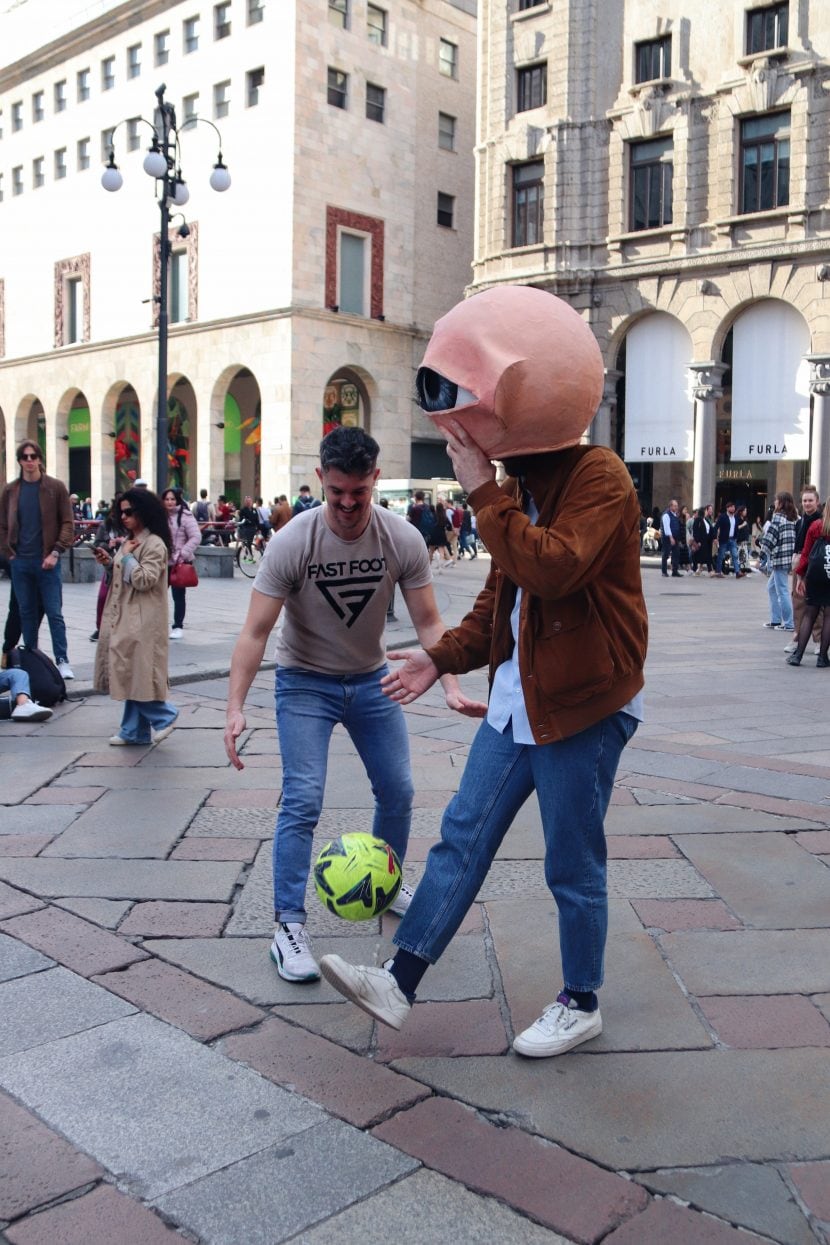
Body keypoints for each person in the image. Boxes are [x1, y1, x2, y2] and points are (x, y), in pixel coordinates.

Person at [319, 285, 647, 1058]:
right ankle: (398, 980)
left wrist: (481, 492)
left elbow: (555, 570)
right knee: (460, 839)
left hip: (582, 707)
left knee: (572, 861)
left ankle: (581, 999)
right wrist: (437, 659)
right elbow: (501, 601)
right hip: (517, 703)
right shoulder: (523, 490)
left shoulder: (600, 479)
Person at [223, 426, 483, 984]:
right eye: (335, 491)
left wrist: (449, 680)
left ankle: (382, 884)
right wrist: (235, 706)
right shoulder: (293, 541)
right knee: (303, 800)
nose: (345, 504)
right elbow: (255, 631)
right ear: (321, 479)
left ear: (375, 481)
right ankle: (287, 927)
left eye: (357, 493)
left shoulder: (402, 539)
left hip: (371, 681)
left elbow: (430, 622)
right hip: (304, 684)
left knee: (399, 790)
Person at [93, 487, 178, 746]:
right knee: (131, 671)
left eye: (129, 512)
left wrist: (127, 557)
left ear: (143, 512)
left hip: (143, 618)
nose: (125, 517)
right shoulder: (132, 540)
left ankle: (165, 715)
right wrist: (110, 561)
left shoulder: (154, 544)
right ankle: (134, 731)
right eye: (122, 513)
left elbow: (143, 579)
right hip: (127, 615)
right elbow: (124, 573)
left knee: (136, 670)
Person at [0, 440, 75, 680]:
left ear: (40, 459)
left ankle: (62, 660)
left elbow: (67, 522)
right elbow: (2, 525)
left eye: (33, 456)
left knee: (54, 613)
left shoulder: (55, 487)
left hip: (48, 561)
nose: (30, 460)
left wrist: (55, 552)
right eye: (25, 456)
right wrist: (10, 555)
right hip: (21, 562)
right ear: (20, 460)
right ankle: (32, 658)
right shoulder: (10, 490)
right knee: (26, 613)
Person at [788, 503, 830, 667]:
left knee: (809, 614)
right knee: (829, 616)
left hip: (815, 576)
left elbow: (806, 554)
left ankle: (798, 655)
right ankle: (822, 657)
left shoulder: (816, 526)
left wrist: (800, 577)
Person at [786, 486, 824, 657]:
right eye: (804, 501)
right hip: (800, 561)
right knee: (798, 601)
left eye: (810, 500)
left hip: (816, 564)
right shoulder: (801, 521)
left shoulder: (822, 521)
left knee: (817, 604)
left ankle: (819, 640)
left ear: (817, 502)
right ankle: (797, 636)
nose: (807, 503)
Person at [163, 487, 201, 640]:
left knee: (178, 596)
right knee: (157, 595)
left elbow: (196, 537)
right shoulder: (160, 516)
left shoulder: (185, 515)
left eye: (172, 499)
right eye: (167, 499)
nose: (170, 502)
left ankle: (178, 626)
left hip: (179, 563)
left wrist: (183, 553)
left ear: (177, 500)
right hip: (162, 562)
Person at [89, 496, 125, 642]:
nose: (124, 516)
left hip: (127, 565)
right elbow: (97, 543)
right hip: (110, 565)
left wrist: (125, 542)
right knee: (103, 597)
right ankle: (100, 628)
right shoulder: (106, 525)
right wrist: (107, 545)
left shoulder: (133, 526)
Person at [760, 491, 797, 631]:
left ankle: (789, 623)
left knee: (782, 590)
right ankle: (775, 620)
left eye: (776, 500)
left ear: (781, 503)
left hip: (779, 558)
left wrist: (762, 554)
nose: (774, 503)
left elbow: (770, 539)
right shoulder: (793, 518)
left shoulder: (777, 518)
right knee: (771, 588)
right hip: (789, 557)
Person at [714, 502, 744, 578]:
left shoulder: (735, 518)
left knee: (735, 555)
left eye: (733, 507)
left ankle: (737, 572)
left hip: (733, 539)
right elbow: (716, 527)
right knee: (721, 555)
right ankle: (718, 571)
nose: (733, 508)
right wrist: (715, 537)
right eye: (731, 507)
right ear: (727, 508)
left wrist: (736, 537)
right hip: (724, 539)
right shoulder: (722, 517)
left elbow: (736, 528)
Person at [426, 501, 454, 571]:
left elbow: (429, 524)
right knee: (441, 551)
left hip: (433, 534)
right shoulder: (444, 517)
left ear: (436, 508)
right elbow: (449, 527)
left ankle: (428, 567)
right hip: (441, 534)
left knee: (431, 551)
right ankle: (440, 566)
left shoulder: (433, 515)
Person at [660, 499, 682, 577]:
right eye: (675, 506)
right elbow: (667, 528)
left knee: (676, 554)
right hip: (667, 538)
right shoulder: (666, 515)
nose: (676, 507)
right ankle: (664, 571)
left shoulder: (675, 514)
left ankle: (675, 571)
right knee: (665, 554)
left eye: (677, 506)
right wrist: (671, 537)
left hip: (675, 537)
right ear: (670, 506)